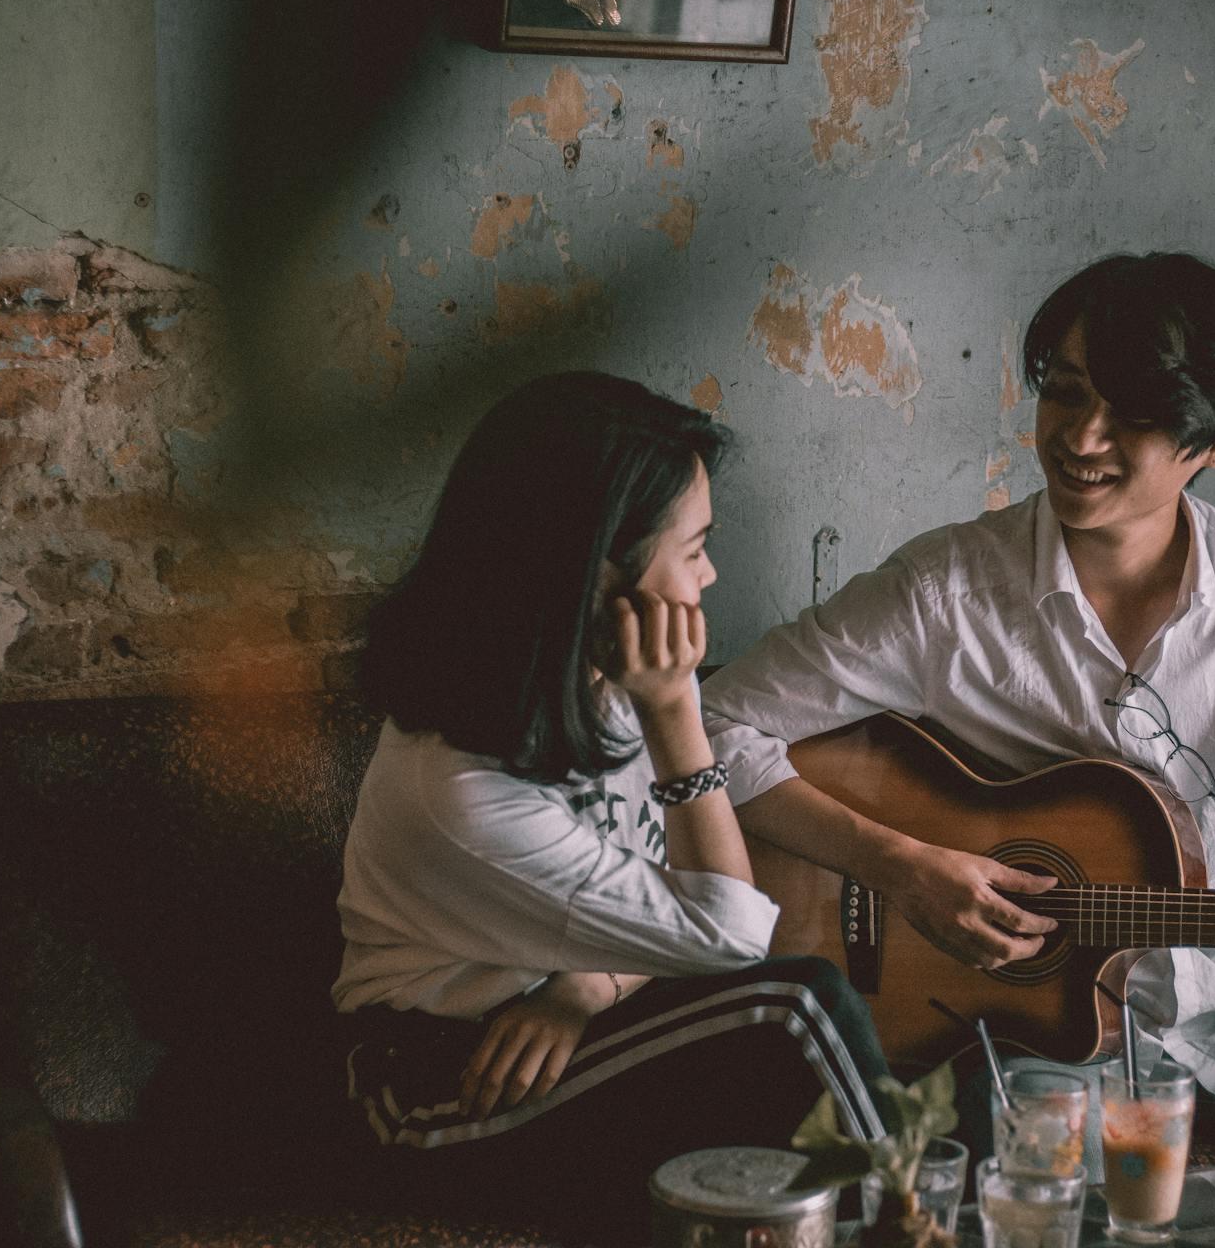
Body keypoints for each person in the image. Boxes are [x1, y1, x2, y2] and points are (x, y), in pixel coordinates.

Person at [702, 254, 1215, 1190]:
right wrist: (901, 869)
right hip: (1028, 1043)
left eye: (1135, 416)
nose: (1082, 437)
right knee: (1059, 1168)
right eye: (1067, 393)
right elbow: (714, 727)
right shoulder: (945, 593)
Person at [332, 372, 888, 1237]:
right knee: (796, 1008)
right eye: (694, 547)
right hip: (445, 1081)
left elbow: (693, 913)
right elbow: (732, 938)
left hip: (583, 1021)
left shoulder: (606, 670)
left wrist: (586, 986)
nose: (711, 573)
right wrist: (675, 714)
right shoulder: (457, 792)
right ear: (597, 568)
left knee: (956, 1089)